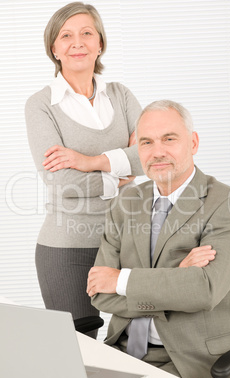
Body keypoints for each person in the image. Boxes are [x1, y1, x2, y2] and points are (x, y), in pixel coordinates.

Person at [87, 100, 230, 378]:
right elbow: (101, 292)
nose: (158, 151)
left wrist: (122, 281)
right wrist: (176, 278)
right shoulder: (125, 203)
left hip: (193, 360)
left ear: (193, 142)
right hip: (122, 352)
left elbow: (204, 291)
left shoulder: (229, 203)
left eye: (169, 138)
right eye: (147, 142)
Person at [25, 2, 143, 338]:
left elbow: (150, 156)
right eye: (66, 35)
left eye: (87, 33)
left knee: (139, 344)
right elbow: (60, 182)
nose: (77, 42)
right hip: (67, 249)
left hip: (129, 242)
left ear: (100, 43)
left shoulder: (120, 95)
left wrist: (89, 162)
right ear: (55, 49)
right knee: (79, 351)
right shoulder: (40, 105)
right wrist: (119, 173)